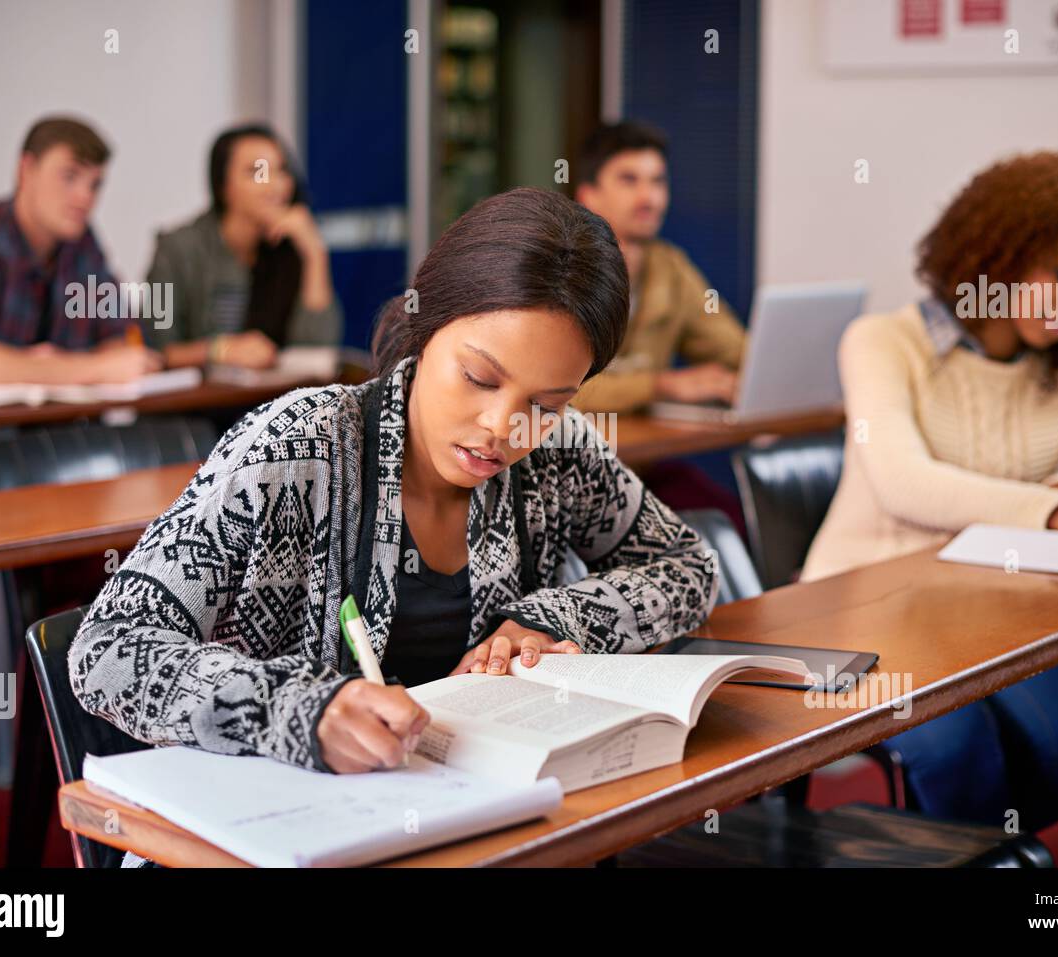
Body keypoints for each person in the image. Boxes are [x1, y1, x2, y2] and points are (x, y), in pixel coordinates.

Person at [70, 188, 719, 867]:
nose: (504, 427)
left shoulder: (556, 452)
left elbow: (688, 566)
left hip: (473, 835)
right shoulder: (296, 444)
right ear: (424, 325)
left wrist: (558, 618)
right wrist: (301, 710)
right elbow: (108, 650)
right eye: (477, 377)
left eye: (548, 402)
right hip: (269, 836)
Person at [803, 152, 1058, 830]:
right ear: (1000, 247)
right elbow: (906, 484)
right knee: (958, 752)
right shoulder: (883, 341)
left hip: (989, 612)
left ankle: (966, 846)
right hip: (863, 611)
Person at [0, 115, 160, 493]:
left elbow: (125, 340)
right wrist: (87, 367)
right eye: (70, 176)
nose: (85, 197)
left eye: (95, 184)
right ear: (26, 170)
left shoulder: (82, 247)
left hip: (58, 449)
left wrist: (54, 366)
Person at [570, 121, 747, 414]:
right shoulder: (558, 268)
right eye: (629, 180)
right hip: (560, 454)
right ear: (588, 195)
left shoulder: (670, 266)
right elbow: (556, 392)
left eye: (657, 181)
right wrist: (661, 385)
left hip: (642, 453)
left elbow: (735, 350)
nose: (649, 198)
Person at [143, 124, 342, 369]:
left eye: (281, 170)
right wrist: (220, 349)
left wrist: (315, 254)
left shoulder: (290, 246)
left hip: (268, 402)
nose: (275, 185)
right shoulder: (174, 248)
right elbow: (155, 347)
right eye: (257, 171)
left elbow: (316, 349)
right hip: (195, 404)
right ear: (223, 185)